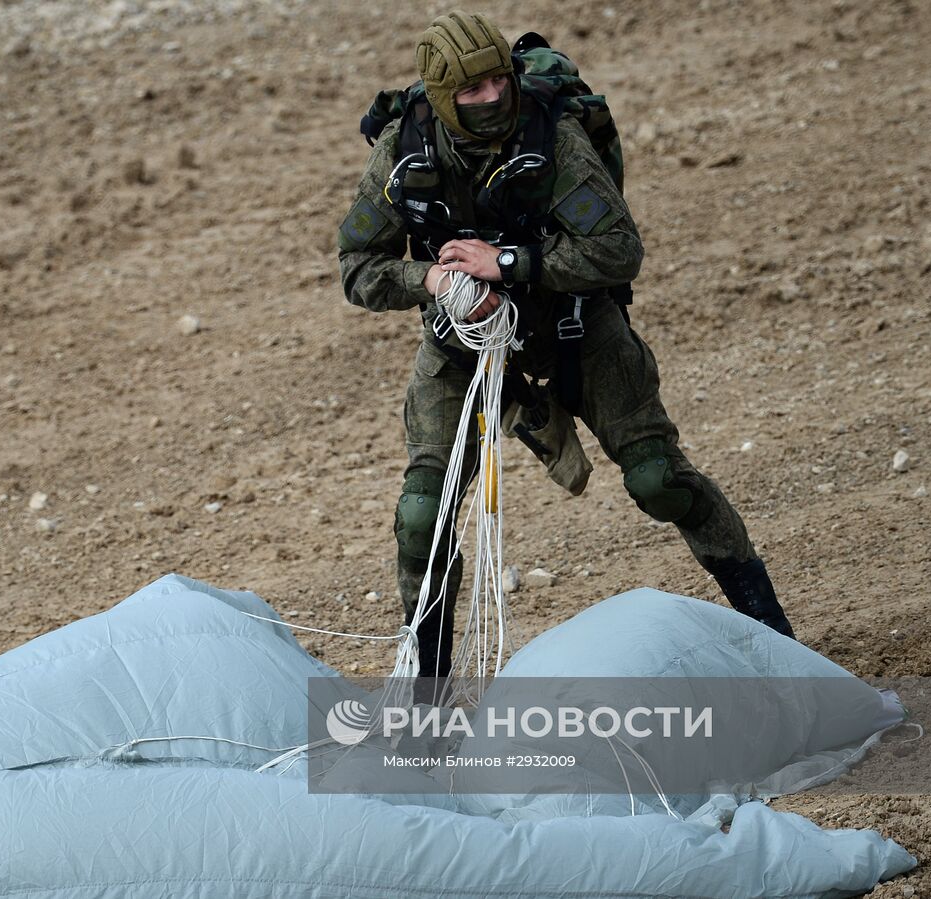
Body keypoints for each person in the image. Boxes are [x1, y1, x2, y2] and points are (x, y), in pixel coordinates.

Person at [337, 10, 795, 682]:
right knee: (422, 516)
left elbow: (618, 249)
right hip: (462, 344)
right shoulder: (403, 152)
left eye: (498, 80)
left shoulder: (554, 135)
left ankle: (777, 640)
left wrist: (510, 262)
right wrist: (429, 277)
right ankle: (425, 702)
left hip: (577, 328)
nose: (493, 97)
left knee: (659, 481)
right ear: (441, 100)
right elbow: (358, 266)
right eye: (472, 91)